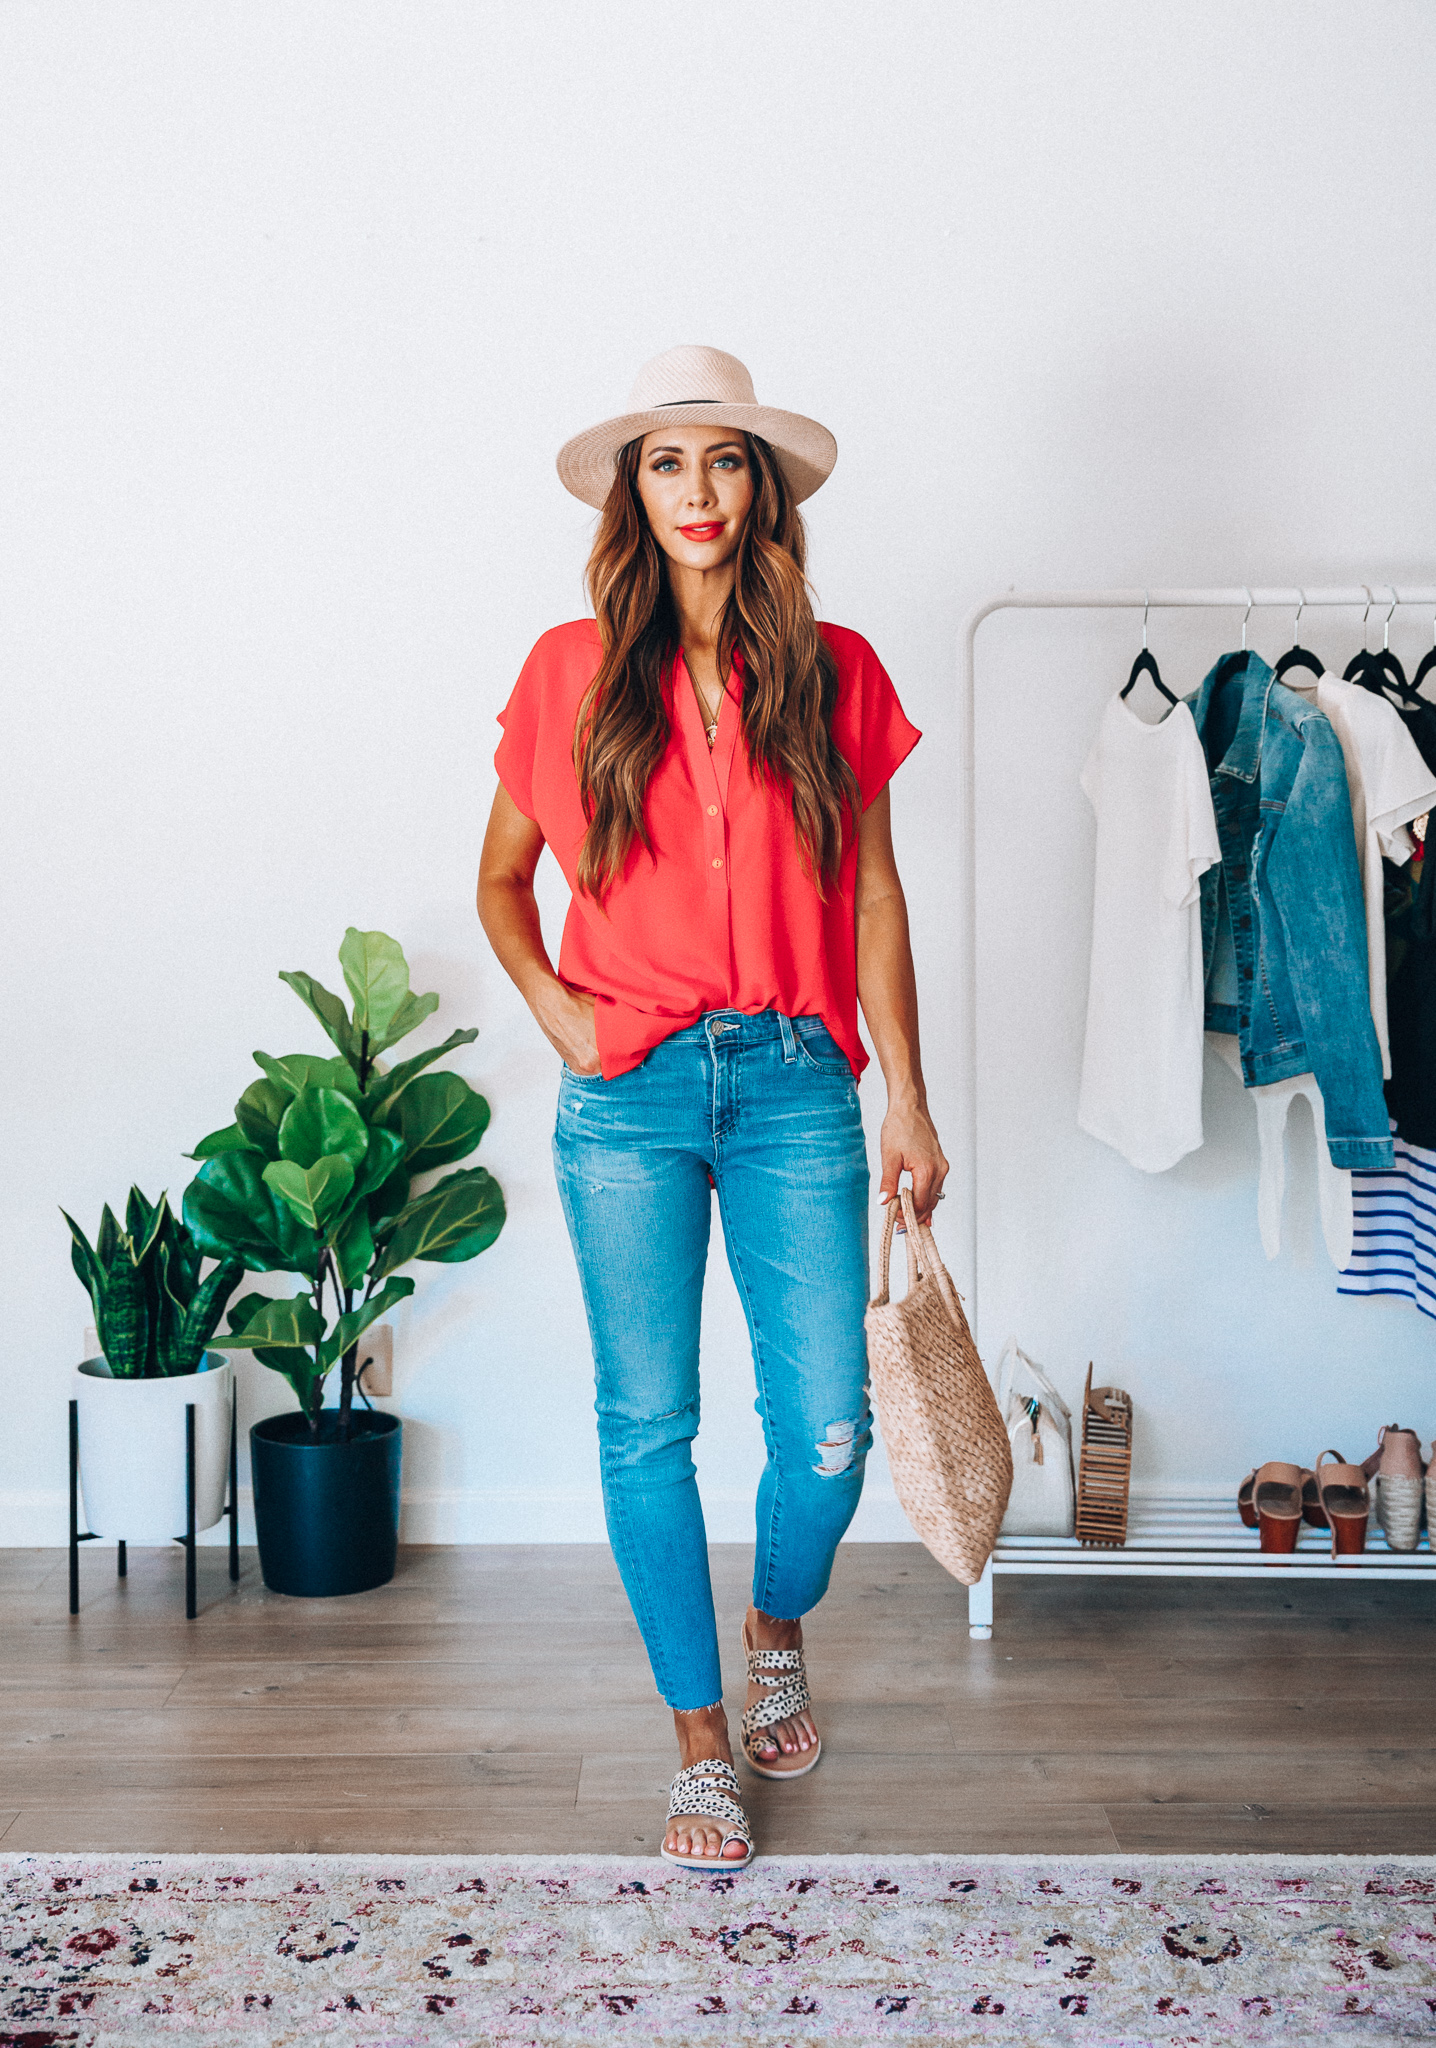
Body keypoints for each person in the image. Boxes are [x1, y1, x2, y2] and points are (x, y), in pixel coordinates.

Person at [477, 345, 947, 1869]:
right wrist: (564, 1014)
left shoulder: (836, 667)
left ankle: (774, 1624)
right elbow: (499, 883)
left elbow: (873, 893)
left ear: (764, 490)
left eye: (725, 461)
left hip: (802, 1087)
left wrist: (911, 1103)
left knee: (827, 1431)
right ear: (635, 491)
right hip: (630, 1097)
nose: (698, 491)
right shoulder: (569, 668)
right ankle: (696, 1738)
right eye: (668, 463)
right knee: (647, 1424)